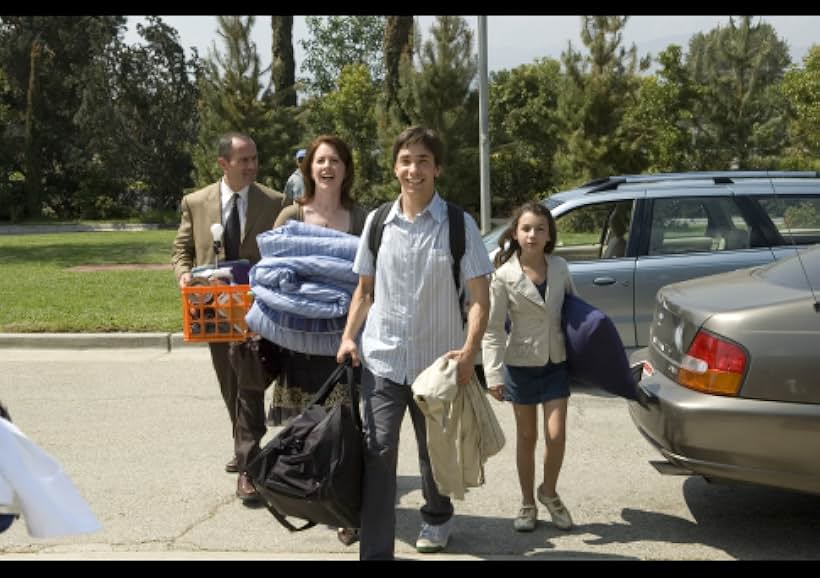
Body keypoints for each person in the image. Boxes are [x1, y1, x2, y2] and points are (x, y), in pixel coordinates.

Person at [336, 126, 493, 560]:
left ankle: (437, 517)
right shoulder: (377, 222)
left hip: (436, 365)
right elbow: (365, 291)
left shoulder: (459, 225)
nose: (414, 169)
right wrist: (349, 337)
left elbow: (480, 298)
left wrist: (469, 352)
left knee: (432, 453)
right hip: (383, 360)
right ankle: (376, 551)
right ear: (394, 168)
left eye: (423, 160)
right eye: (406, 160)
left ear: (437, 168)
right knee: (378, 451)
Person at [172, 132, 285, 503]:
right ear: (223, 164)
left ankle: (249, 459)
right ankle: (244, 446)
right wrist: (184, 274)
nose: (252, 166)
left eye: (255, 159)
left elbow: (283, 251)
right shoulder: (196, 202)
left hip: (258, 309)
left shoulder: (274, 202)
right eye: (243, 161)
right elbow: (182, 250)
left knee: (251, 381)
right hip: (215, 310)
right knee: (231, 385)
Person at [266, 134, 368, 546]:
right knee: (303, 429)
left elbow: (371, 282)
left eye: (335, 161)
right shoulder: (290, 215)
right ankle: (310, 497)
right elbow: (271, 271)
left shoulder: (361, 218)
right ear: (308, 169)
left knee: (344, 431)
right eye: (320, 161)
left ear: (346, 169)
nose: (327, 168)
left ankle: (348, 511)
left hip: (345, 344)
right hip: (298, 342)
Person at [481, 201, 577, 533]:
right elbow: (492, 328)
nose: (532, 234)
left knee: (556, 435)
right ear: (515, 234)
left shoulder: (561, 267)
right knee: (527, 436)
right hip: (519, 363)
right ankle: (527, 503)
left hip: (555, 362)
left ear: (549, 234)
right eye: (526, 228)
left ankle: (548, 492)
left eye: (540, 228)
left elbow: (574, 314)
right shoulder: (503, 274)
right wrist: (493, 374)